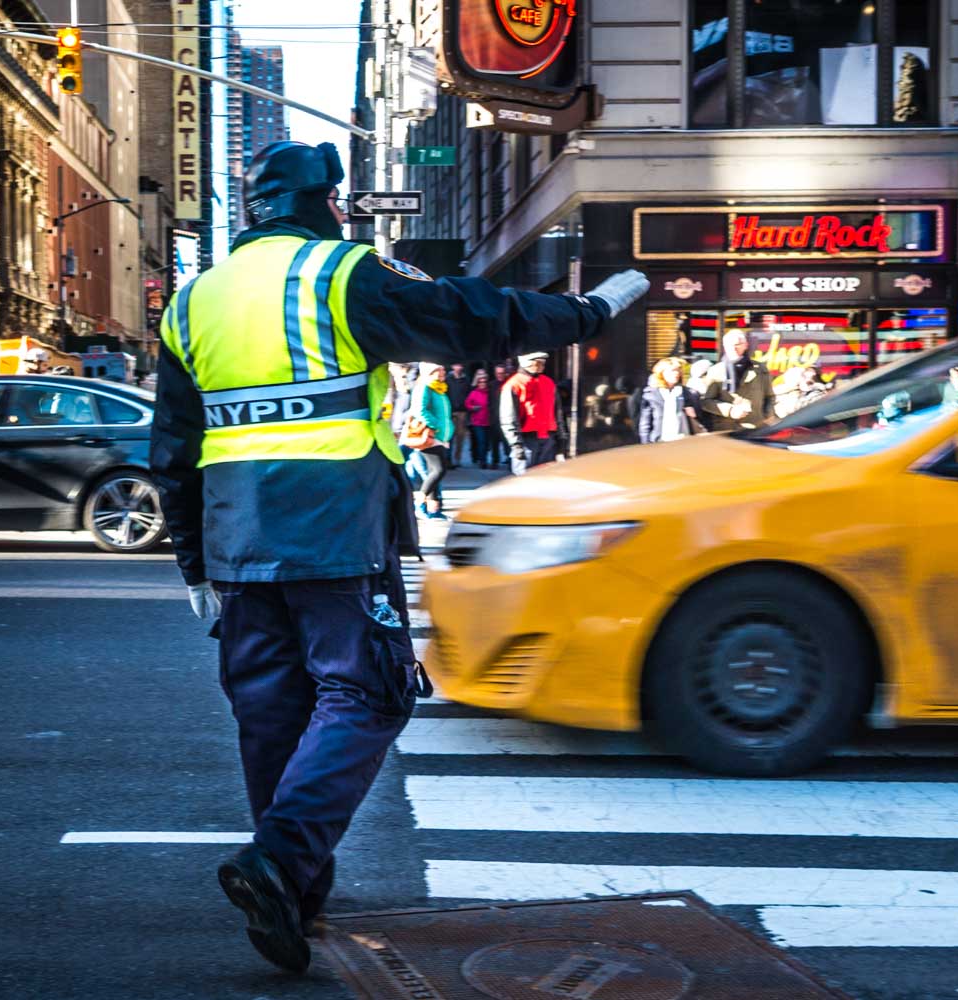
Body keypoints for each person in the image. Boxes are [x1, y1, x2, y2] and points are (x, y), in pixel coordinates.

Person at [148, 139, 649, 975]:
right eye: (337, 202)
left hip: (239, 543)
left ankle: (294, 892)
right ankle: (278, 860)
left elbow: (173, 446)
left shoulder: (193, 301)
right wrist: (589, 314)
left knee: (271, 711)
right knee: (368, 695)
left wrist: (193, 564)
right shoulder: (340, 276)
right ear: (324, 203)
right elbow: (474, 316)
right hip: (335, 528)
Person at [500, 351, 563, 474]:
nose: (540, 365)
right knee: (524, 481)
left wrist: (561, 440)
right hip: (526, 440)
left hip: (548, 439)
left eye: (542, 362)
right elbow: (508, 418)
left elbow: (557, 413)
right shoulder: (514, 384)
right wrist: (516, 445)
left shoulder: (548, 383)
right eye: (536, 361)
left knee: (545, 479)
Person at [702, 330, 774, 432]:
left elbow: (770, 396)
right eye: (729, 345)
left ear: (745, 345)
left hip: (755, 426)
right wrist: (730, 410)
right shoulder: (715, 370)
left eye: (738, 344)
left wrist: (767, 415)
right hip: (726, 429)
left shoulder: (760, 368)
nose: (733, 348)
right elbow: (706, 402)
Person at [406, 361, 453, 519]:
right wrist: (436, 426)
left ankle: (433, 509)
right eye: (436, 371)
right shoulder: (424, 387)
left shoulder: (440, 388)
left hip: (440, 437)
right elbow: (419, 410)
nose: (441, 373)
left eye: (442, 370)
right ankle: (419, 503)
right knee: (438, 471)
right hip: (430, 436)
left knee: (435, 472)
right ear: (427, 373)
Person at [638, 357, 704, 444]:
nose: (676, 373)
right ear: (662, 373)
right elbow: (645, 423)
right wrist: (645, 443)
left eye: (678, 370)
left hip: (683, 439)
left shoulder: (686, 392)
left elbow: (697, 416)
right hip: (659, 441)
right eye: (672, 371)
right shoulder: (651, 394)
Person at [464, 369, 494, 468]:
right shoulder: (474, 393)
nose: (482, 384)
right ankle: (482, 461)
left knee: (487, 443)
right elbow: (467, 404)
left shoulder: (490, 393)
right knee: (481, 442)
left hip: (489, 421)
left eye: (484, 382)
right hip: (478, 422)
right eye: (480, 382)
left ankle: (485, 458)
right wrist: (473, 408)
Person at [445, 362, 471, 468]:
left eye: (460, 365)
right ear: (452, 366)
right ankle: (448, 459)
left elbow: (469, 394)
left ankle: (457, 459)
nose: (458, 367)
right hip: (450, 411)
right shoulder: (447, 379)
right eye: (456, 365)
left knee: (460, 437)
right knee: (449, 437)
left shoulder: (466, 380)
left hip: (462, 412)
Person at [488, 363, 510, 466]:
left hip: (507, 417)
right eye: (497, 373)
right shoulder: (491, 385)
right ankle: (494, 460)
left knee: (507, 441)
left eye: (501, 373)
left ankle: (509, 460)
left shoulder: (509, 384)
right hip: (494, 418)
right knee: (494, 442)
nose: (499, 375)